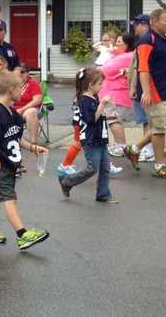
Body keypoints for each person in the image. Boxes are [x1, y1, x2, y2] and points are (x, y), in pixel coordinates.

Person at [0, 71, 50, 250]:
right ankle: (22, 234)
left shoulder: (13, 113)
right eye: (20, 89)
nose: (22, 92)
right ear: (11, 89)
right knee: (9, 197)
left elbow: (15, 138)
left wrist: (32, 147)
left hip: (9, 163)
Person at [123, 8, 166, 179]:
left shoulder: (165, 40)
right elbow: (142, 67)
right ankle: (159, 167)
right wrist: (145, 92)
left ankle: (133, 149)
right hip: (153, 91)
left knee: (162, 126)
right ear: (154, 21)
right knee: (159, 129)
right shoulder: (146, 40)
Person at [59, 68, 118, 203]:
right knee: (92, 168)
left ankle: (103, 194)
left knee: (105, 168)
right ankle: (67, 181)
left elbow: (98, 115)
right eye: (99, 84)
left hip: (100, 138)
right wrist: (103, 104)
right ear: (90, 85)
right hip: (91, 140)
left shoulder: (94, 97)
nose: (101, 86)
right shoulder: (84, 100)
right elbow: (90, 119)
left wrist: (109, 115)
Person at [124, 15, 155, 163]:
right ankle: (148, 150)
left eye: (136, 24)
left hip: (145, 88)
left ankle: (148, 151)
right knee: (145, 121)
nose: (134, 27)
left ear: (144, 25)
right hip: (142, 87)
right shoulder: (143, 42)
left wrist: (134, 87)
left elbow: (139, 68)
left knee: (149, 121)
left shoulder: (146, 42)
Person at [100, 33, 135, 157]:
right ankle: (118, 145)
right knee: (113, 120)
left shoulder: (126, 56)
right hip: (114, 93)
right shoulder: (120, 56)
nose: (116, 45)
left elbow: (105, 69)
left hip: (117, 95)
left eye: (119, 42)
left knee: (114, 120)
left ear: (127, 45)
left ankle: (121, 147)